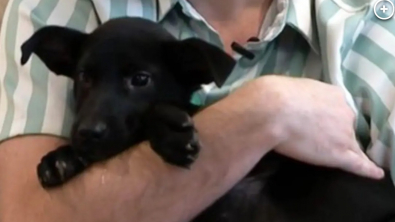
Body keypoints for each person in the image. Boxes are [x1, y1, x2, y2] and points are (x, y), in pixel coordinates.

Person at [0, 0, 393, 221]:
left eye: (138, 81)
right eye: (86, 80)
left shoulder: (373, 19)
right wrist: (267, 111)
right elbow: (25, 215)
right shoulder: (59, 6)